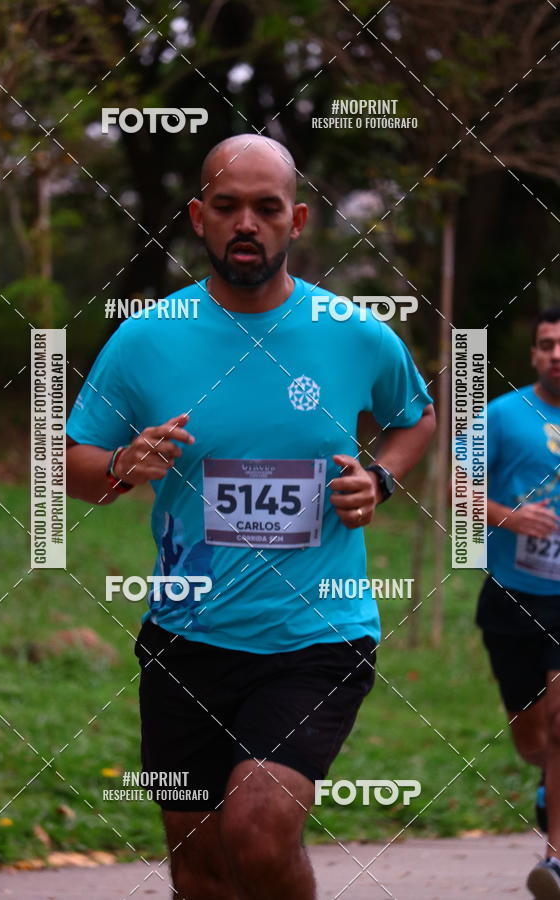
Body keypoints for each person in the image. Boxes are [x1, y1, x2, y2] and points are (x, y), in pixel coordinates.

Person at [66, 134, 435, 900]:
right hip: (185, 639)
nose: (247, 223)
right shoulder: (144, 339)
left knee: (259, 826)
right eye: (227, 206)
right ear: (198, 218)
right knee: (199, 868)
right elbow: (74, 468)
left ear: (296, 220)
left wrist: (379, 479)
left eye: (267, 208)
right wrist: (118, 468)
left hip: (318, 637)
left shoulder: (355, 333)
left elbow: (415, 420)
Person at [477, 309, 560, 898]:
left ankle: (555, 859)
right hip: (513, 596)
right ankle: (546, 787)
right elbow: (456, 488)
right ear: (533, 354)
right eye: (547, 345)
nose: (557, 354)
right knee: (533, 741)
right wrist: (512, 518)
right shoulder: (503, 414)